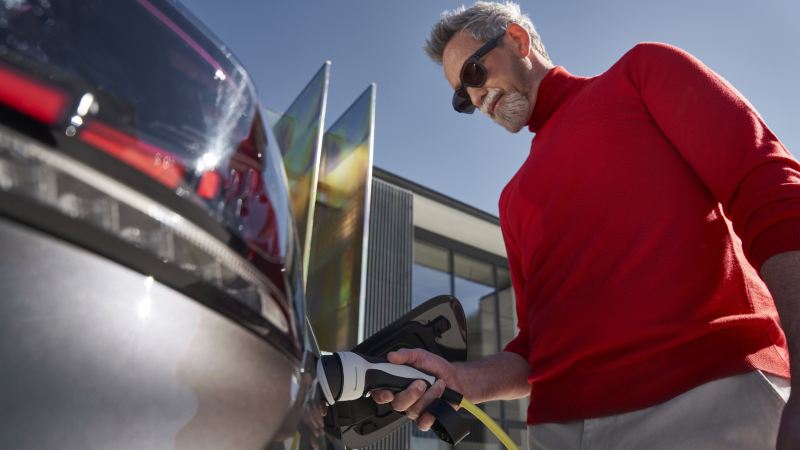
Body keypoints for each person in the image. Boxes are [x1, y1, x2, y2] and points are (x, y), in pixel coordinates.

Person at [370, 2, 800, 449]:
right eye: (462, 97)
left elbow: (771, 193)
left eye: (474, 74)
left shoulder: (640, 73)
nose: (476, 99)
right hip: (559, 432)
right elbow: (533, 349)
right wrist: (461, 378)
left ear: (518, 40)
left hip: (707, 398)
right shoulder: (512, 199)